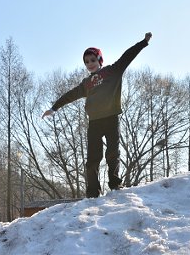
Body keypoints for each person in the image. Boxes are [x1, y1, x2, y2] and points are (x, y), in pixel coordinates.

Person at [42, 32, 152, 198]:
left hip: (112, 118)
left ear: (99, 60)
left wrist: (143, 43)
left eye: (93, 60)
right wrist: (54, 108)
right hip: (94, 122)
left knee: (113, 153)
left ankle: (115, 184)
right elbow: (71, 94)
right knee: (93, 158)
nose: (90, 64)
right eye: (86, 62)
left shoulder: (112, 71)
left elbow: (127, 56)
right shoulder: (87, 83)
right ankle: (93, 192)